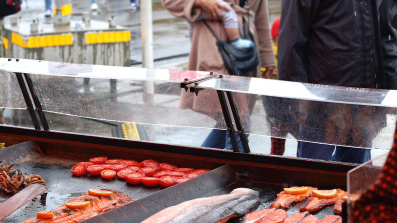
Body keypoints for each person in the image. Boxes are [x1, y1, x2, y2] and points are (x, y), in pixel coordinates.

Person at [278, 0, 397, 163]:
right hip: (320, 106)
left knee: (356, 180)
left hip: (364, 105)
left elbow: (386, 38)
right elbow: (291, 40)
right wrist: (295, 103)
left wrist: (391, 89)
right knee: (314, 179)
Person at [162, 0, 276, 151]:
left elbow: (261, 21)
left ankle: (199, 166)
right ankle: (234, 170)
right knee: (239, 125)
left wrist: (268, 60)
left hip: (245, 57)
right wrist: (198, 2)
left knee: (228, 124)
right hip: (214, 56)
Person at [261, 17, 300, 156]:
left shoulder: (289, 52)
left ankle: (276, 166)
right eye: (280, 36)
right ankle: (274, 167)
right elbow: (263, 71)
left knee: (284, 142)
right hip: (277, 109)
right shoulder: (272, 53)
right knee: (281, 143)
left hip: (288, 109)